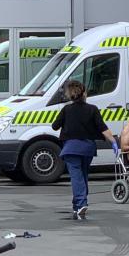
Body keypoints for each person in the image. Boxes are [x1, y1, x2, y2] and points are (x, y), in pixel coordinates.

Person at [52, 80, 118, 220]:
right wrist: (113, 142)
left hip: (71, 148)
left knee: (76, 178)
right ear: (84, 94)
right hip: (88, 148)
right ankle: (77, 205)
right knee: (83, 176)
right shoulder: (92, 109)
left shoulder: (66, 109)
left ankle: (81, 203)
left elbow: (54, 126)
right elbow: (103, 128)